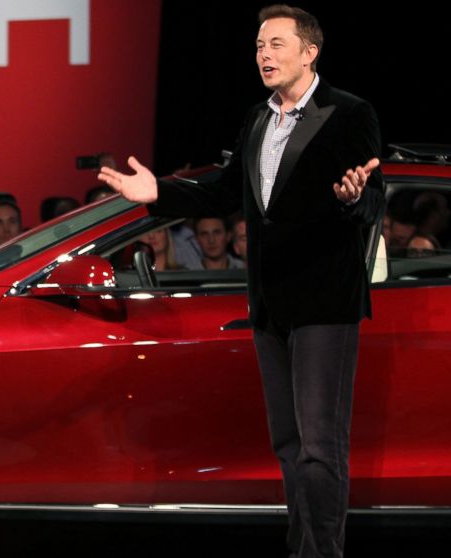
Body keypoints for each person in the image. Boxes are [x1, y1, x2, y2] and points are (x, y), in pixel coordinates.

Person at [97, 6, 384, 557]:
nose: (264, 56)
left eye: (276, 44)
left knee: (321, 447)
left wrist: (353, 198)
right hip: (269, 304)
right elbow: (224, 193)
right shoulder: (258, 117)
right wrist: (158, 192)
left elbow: (372, 197)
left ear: (309, 51)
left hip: (324, 303)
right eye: (258, 46)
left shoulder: (349, 113)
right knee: (289, 443)